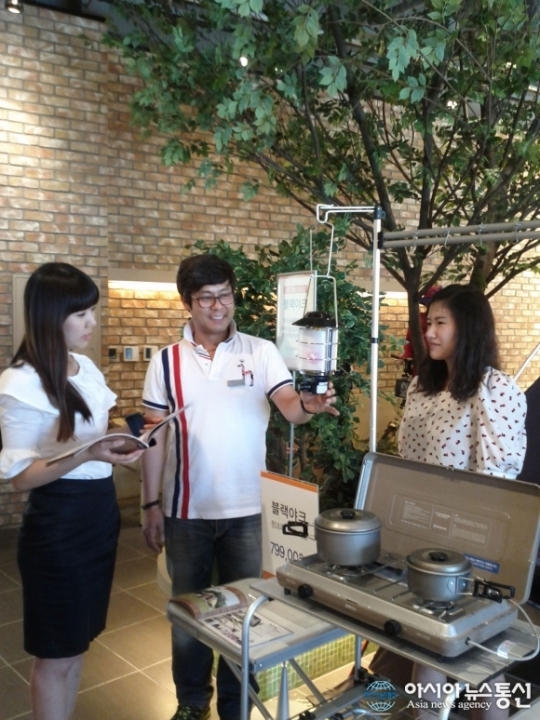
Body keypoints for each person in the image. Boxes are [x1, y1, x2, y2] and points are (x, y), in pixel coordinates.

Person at [140, 253, 339, 720]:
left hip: (248, 510)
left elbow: (289, 406)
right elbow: (154, 436)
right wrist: (149, 504)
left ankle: (237, 706)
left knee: (246, 614)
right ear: (187, 302)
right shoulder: (165, 361)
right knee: (187, 616)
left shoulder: (260, 351)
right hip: (186, 511)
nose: (218, 306)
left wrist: (309, 405)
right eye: (206, 298)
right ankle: (192, 702)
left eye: (225, 295)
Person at [371, 284, 527, 720]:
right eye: (429, 322)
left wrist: (474, 546)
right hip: (421, 535)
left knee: (482, 659)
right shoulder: (422, 386)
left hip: (474, 545)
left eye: (441, 322)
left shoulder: (495, 389)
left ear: (469, 327)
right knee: (425, 644)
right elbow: (408, 463)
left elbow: (499, 479)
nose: (430, 332)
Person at [0, 263, 145, 720]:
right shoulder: (20, 382)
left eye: (92, 312)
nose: (91, 323)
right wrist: (87, 455)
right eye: (81, 314)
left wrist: (123, 439)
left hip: (99, 514)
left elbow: (95, 431)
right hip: (58, 525)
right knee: (55, 653)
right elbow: (22, 477)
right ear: (51, 315)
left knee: (78, 642)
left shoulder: (85, 368)